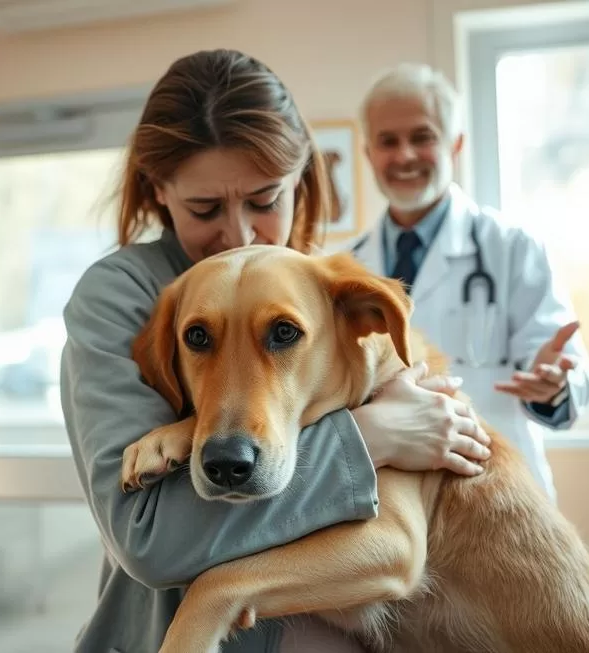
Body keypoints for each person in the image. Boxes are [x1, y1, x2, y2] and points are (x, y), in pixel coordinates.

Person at [59, 49, 493, 653]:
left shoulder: (317, 288)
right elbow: (149, 538)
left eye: (265, 200)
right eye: (205, 208)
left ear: (301, 179)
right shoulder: (124, 295)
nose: (236, 236)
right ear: (159, 190)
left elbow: (392, 541)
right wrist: (371, 435)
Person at [351, 62, 589, 502]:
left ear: (455, 144)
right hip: (394, 502)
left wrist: (553, 385)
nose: (404, 155)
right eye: (388, 141)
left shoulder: (512, 248)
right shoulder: (348, 268)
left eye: (422, 137)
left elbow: (564, 371)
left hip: (499, 489)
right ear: (368, 153)